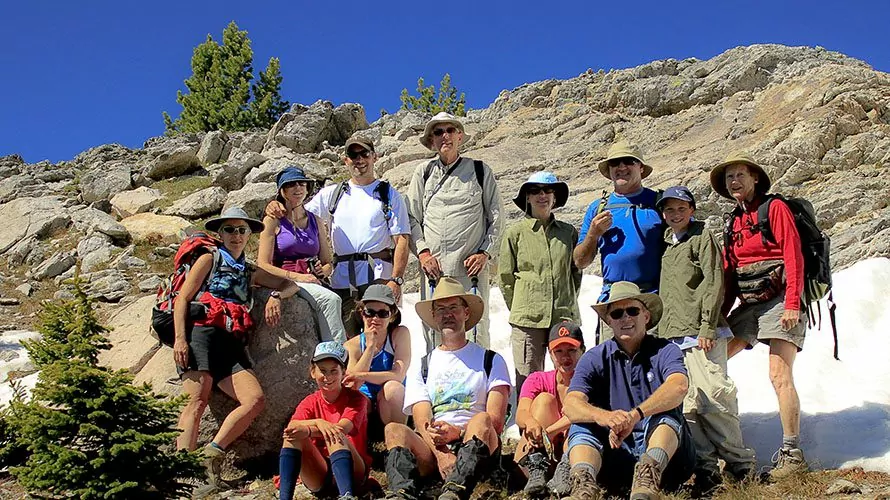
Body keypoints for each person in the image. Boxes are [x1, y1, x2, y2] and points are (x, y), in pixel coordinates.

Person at [172, 207, 301, 487]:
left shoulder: (250, 270)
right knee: (196, 402)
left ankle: (212, 452)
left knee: (254, 399)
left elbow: (290, 284)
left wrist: (276, 295)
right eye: (230, 229)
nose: (236, 235)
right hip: (201, 334)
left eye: (242, 230)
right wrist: (180, 339)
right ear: (220, 234)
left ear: (249, 236)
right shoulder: (209, 259)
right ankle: (183, 474)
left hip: (231, 342)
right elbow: (183, 299)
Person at [710, 152, 808, 480]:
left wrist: (793, 302)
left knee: (779, 374)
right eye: (729, 178)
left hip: (781, 299)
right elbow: (729, 273)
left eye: (740, 175)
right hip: (750, 304)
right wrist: (719, 319)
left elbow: (793, 253)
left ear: (754, 179)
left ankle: (793, 453)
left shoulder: (774, 208)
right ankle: (718, 446)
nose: (734, 181)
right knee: (712, 361)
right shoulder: (732, 221)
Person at [655, 186, 756, 493]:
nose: (675, 214)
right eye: (669, 210)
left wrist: (707, 327)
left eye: (681, 208)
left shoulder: (702, 238)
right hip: (673, 334)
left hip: (700, 333)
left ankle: (741, 464)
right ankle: (706, 467)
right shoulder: (668, 245)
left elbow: (713, 283)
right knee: (687, 403)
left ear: (692, 210)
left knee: (715, 396)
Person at [266, 136, 411, 338]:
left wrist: (396, 280)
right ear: (346, 160)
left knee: (382, 339)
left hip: (379, 277)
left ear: (375, 157)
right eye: (353, 155)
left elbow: (402, 239)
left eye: (364, 154)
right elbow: (297, 214)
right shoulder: (332, 194)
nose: (359, 159)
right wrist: (276, 204)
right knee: (347, 341)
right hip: (342, 281)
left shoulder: (389, 194)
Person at [381, 277, 511, 500]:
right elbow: (422, 418)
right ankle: (400, 493)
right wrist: (441, 454)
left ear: (466, 313)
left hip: (477, 440)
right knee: (394, 429)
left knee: (481, 419)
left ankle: (455, 490)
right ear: (434, 316)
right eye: (440, 309)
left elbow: (494, 421)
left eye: (453, 308)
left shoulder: (491, 360)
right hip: (436, 446)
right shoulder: (423, 365)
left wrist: (458, 433)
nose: (447, 314)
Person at [563, 282, 695, 499]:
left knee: (667, 413)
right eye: (617, 313)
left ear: (646, 316)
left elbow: (678, 386)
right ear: (609, 321)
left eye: (632, 310)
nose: (625, 318)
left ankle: (649, 476)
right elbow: (571, 404)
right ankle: (583, 485)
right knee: (582, 422)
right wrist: (604, 417)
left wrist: (636, 415)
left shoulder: (666, 350)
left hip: (669, 462)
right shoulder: (594, 357)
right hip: (615, 452)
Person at [406, 112, 503, 352]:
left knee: (476, 330)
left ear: (459, 135)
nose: (444, 136)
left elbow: (497, 217)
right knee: (434, 332)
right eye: (438, 132)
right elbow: (411, 218)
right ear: (432, 140)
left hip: (469, 271)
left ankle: (481, 384)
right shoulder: (423, 173)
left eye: (449, 130)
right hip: (434, 270)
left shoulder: (480, 171)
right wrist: (423, 253)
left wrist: (484, 253)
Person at [572, 140, 664, 342]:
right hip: (612, 300)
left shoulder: (660, 202)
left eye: (628, 161)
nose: (621, 167)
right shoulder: (597, 208)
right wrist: (593, 234)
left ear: (641, 167)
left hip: (651, 298)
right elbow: (580, 261)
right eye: (615, 163)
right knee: (613, 367)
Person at [500, 171, 581, 392]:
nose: (541, 195)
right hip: (527, 320)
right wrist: (521, 307)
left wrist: (567, 302)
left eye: (547, 190)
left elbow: (575, 273)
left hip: (563, 316)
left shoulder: (568, 233)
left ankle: (568, 424)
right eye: (534, 191)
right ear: (527, 197)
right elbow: (506, 278)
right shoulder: (514, 234)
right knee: (528, 379)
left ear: (555, 196)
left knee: (568, 376)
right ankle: (530, 425)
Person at [257, 166, 347, 343]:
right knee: (331, 300)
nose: (298, 188)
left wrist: (324, 271)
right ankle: (337, 355)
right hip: (287, 279)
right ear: (282, 190)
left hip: (314, 279)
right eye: (291, 184)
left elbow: (328, 261)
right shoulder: (272, 221)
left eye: (302, 184)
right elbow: (263, 264)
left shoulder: (315, 219)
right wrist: (298, 276)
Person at [278, 341, 372, 500]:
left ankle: (347, 495)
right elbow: (292, 427)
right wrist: (319, 423)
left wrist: (309, 429)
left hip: (353, 470)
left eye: (334, 371)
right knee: (292, 435)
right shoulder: (310, 401)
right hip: (321, 472)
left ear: (343, 372)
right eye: (322, 370)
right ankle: (284, 497)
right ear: (312, 372)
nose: (327, 377)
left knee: (335, 434)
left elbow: (342, 428)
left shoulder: (357, 399)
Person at [513, 320, 585, 497]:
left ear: (583, 351)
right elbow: (521, 413)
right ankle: (537, 466)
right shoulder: (538, 379)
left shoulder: (589, 380)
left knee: (579, 419)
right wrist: (531, 424)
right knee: (545, 400)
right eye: (558, 351)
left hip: (574, 449)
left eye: (572, 350)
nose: (565, 357)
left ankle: (565, 469)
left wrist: (550, 431)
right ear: (550, 354)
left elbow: (584, 414)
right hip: (540, 448)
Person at [343, 284, 411, 428]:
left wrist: (362, 375)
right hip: (365, 400)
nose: (375, 318)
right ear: (362, 314)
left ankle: (397, 437)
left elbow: (398, 375)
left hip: (390, 401)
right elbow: (353, 384)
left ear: (391, 315)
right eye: (370, 312)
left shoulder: (400, 334)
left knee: (393, 388)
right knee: (351, 396)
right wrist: (370, 347)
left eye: (382, 313)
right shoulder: (352, 345)